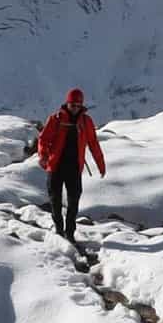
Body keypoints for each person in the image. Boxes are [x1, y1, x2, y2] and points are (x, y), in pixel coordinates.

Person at [35, 87, 107, 243]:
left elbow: (93, 144)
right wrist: (43, 156)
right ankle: (59, 230)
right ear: (67, 103)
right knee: (55, 201)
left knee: (73, 201)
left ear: (82, 105)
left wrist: (101, 164)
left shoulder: (86, 122)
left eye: (78, 105)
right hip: (55, 167)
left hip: (74, 168)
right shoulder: (56, 119)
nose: (75, 108)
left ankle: (70, 232)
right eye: (72, 104)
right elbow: (43, 139)